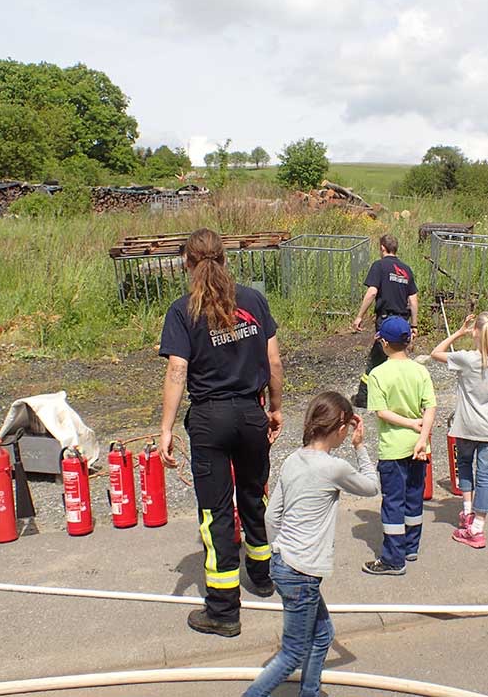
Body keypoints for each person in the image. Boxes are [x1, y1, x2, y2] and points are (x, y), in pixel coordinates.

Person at [157, 227, 284, 638]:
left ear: (188, 264)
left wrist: (166, 428)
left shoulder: (182, 310)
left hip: (210, 420)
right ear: (225, 259)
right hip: (251, 414)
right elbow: (274, 362)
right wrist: (277, 408)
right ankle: (262, 578)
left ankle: (224, 611)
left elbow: (178, 370)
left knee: (216, 513)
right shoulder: (253, 300)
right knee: (253, 496)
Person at [244, 392, 379, 697]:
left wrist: (283, 548)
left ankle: (311, 691)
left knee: (323, 635)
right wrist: (360, 447)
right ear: (341, 428)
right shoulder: (333, 467)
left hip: (282, 564)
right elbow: (371, 487)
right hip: (301, 573)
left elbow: (271, 515)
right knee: (292, 653)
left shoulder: (293, 460)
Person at [363, 315, 436, 574]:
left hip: (393, 447)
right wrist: (422, 434)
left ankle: (394, 558)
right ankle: (410, 546)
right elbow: (430, 408)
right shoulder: (420, 370)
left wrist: (407, 424)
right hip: (419, 447)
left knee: (393, 501)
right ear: (409, 340)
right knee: (414, 497)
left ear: (383, 342)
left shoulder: (378, 374)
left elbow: (382, 412)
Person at [430, 312, 488, 549]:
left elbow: (435, 353)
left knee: (464, 466)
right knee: (484, 475)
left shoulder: (466, 359)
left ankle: (467, 511)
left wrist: (458, 332)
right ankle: (478, 527)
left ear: (475, 332)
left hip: (465, 426)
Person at [351, 234, 419, 408]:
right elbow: (413, 300)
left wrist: (359, 316)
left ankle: (364, 397)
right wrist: (414, 325)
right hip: (403, 321)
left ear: (382, 248)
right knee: (399, 358)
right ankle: (401, 394)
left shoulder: (379, 266)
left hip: (386, 321)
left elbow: (372, 292)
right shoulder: (406, 269)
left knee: (376, 359)